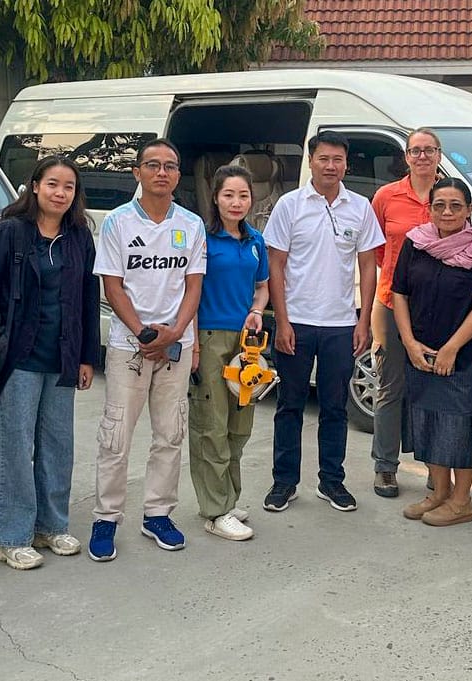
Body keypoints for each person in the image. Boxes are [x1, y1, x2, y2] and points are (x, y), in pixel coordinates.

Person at [0, 156, 100, 570]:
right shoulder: (10, 234)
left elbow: (88, 300)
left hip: (63, 356)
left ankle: (51, 526)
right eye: (53, 183)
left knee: (59, 446)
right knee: (16, 448)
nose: (60, 193)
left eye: (69, 187)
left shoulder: (78, 237)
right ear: (34, 186)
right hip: (20, 357)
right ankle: (10, 537)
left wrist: (88, 356)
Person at [89, 138, 206, 561]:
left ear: (178, 174)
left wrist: (174, 333)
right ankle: (106, 517)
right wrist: (143, 333)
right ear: (137, 172)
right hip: (129, 346)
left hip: (175, 344)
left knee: (170, 433)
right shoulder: (118, 223)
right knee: (116, 434)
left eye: (170, 166)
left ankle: (158, 513)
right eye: (152, 165)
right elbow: (112, 284)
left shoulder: (191, 224)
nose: (162, 172)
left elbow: (194, 284)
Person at [262, 130, 385, 514]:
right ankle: (284, 482)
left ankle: (331, 482)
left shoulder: (360, 207)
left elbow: (368, 266)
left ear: (346, 164)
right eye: (323, 159)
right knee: (290, 406)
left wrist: (363, 320)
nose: (331, 166)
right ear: (310, 162)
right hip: (296, 322)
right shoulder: (290, 205)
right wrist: (281, 322)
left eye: (338, 160)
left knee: (335, 407)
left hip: (340, 324)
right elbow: (275, 266)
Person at [392, 178, 472, 526]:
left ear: (469, 210)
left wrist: (452, 348)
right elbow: (399, 293)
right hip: (419, 350)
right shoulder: (416, 243)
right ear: (430, 208)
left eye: (456, 205)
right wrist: (408, 342)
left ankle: (461, 501)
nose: (447, 211)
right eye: (440, 205)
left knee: (460, 426)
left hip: (462, 355)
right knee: (426, 422)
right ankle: (438, 493)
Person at [188, 165, 269, 541]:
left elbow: (263, 286)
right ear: (215, 197)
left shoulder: (255, 241)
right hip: (208, 337)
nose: (236, 203)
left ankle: (229, 497)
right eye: (228, 195)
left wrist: (255, 310)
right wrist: (193, 343)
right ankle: (215, 510)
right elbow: (188, 292)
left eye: (243, 196)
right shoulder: (202, 239)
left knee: (240, 424)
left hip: (245, 342)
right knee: (211, 424)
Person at [369, 128, 441, 498]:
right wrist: (398, 281)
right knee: (389, 388)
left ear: (439, 155)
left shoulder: (449, 197)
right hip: (390, 302)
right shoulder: (386, 196)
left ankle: (436, 466)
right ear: (407, 157)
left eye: (429, 150)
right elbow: (377, 249)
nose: (422, 157)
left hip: (436, 309)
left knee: (431, 390)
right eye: (416, 150)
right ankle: (385, 468)